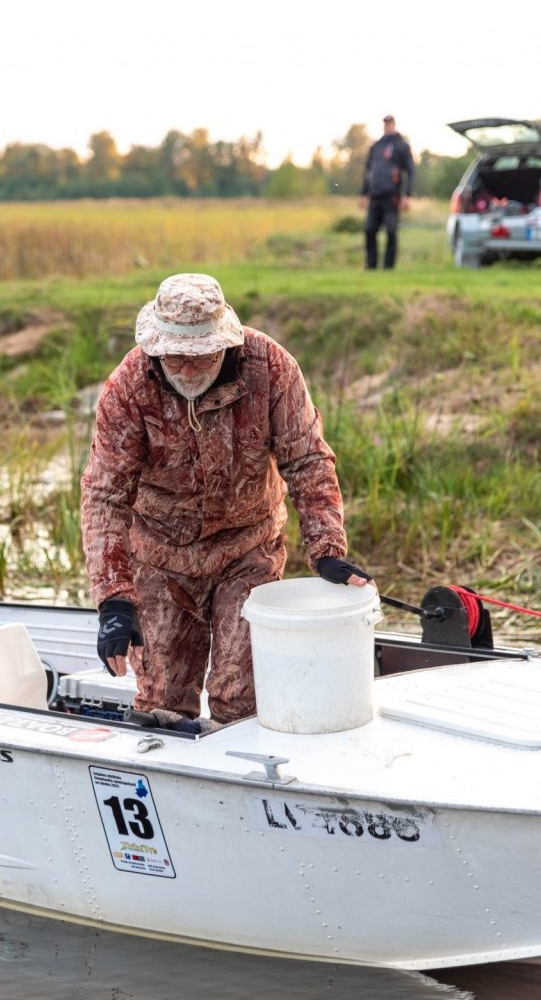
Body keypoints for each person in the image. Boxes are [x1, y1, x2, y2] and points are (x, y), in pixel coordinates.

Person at [81, 273, 373, 725]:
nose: (190, 369)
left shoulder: (270, 367)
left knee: (241, 694)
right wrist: (115, 601)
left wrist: (327, 549)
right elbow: (104, 496)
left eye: (202, 357)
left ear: (226, 344)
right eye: (177, 358)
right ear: (157, 349)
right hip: (160, 555)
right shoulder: (128, 387)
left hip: (247, 547)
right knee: (163, 700)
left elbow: (308, 459)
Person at [359, 115, 415, 270]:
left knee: (391, 231)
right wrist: (363, 193)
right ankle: (371, 266)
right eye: (385, 123)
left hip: (392, 196)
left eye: (389, 123)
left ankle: (388, 267)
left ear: (394, 125)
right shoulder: (376, 146)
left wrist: (407, 195)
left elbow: (410, 170)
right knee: (370, 230)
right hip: (375, 195)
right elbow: (368, 171)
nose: (387, 126)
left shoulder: (401, 146)